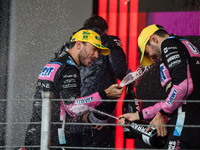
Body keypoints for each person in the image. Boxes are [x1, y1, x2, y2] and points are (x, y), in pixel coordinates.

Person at [24, 28, 124, 149]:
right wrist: (105, 94)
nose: (97, 55)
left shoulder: (56, 62)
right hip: (52, 139)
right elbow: (73, 107)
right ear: (78, 45)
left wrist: (84, 118)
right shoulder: (69, 68)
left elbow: (59, 104)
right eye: (94, 49)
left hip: (36, 134)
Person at [118, 24, 200, 149]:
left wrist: (162, 113)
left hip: (184, 121)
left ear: (154, 39)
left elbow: (183, 86)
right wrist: (139, 116)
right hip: (191, 121)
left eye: (147, 53)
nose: (151, 59)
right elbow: (172, 98)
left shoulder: (169, 44)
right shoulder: (182, 43)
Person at [69, 15, 134, 149]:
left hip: (72, 118)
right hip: (98, 117)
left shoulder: (71, 45)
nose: (96, 54)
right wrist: (133, 80)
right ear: (104, 31)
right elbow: (120, 70)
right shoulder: (108, 40)